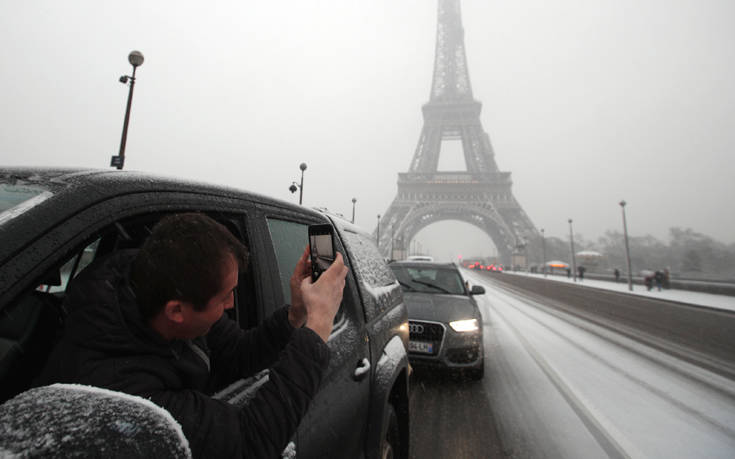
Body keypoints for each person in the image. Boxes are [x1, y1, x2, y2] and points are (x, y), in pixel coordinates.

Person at [37, 213, 348, 458]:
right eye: (226, 296)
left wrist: (295, 315)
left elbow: (239, 352)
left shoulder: (166, 298)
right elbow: (250, 443)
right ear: (176, 311)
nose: (231, 305)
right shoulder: (124, 396)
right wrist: (319, 325)